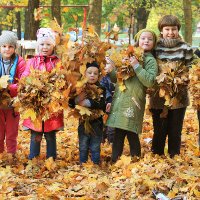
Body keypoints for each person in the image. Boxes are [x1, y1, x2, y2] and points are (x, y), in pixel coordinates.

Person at [106, 29, 158, 162]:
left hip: (134, 100)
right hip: (120, 98)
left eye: (149, 39)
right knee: (118, 132)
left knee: (131, 131)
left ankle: (135, 160)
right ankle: (114, 161)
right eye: (143, 38)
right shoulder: (129, 55)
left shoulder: (150, 61)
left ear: (154, 43)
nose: (146, 41)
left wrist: (137, 66)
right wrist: (112, 70)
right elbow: (117, 78)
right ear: (138, 40)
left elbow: (150, 81)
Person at [149, 15, 193, 157]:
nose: (170, 32)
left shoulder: (185, 48)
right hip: (159, 95)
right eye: (167, 29)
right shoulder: (155, 47)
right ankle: (157, 154)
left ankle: (175, 156)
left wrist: (184, 78)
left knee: (175, 129)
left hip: (179, 95)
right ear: (161, 31)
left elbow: (191, 67)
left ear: (177, 30)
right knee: (160, 128)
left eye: (173, 29)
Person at [22, 28, 64, 160]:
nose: (45, 47)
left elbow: (62, 79)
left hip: (51, 105)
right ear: (37, 45)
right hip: (36, 104)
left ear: (53, 46)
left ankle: (51, 158)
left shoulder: (57, 62)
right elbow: (25, 76)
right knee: (35, 133)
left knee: (50, 134)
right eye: (42, 44)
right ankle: (33, 157)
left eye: (48, 44)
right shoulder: (32, 61)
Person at [69, 61, 106, 165]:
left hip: (96, 122)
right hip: (83, 122)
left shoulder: (101, 89)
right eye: (89, 73)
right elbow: (70, 103)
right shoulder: (79, 89)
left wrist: (89, 102)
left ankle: (95, 163)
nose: (92, 75)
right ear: (84, 74)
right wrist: (77, 100)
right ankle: (83, 163)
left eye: (95, 73)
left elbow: (102, 104)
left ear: (98, 75)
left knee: (95, 145)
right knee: (83, 145)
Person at [0, 31, 26, 156]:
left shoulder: (20, 62)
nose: (7, 49)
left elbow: (23, 82)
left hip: (13, 103)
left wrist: (9, 88)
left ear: (15, 48)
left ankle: (11, 155)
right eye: (4, 46)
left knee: (11, 131)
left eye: (10, 46)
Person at [100, 56, 115, 144]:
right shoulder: (102, 77)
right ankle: (102, 142)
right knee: (103, 126)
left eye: (108, 63)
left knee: (111, 128)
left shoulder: (117, 76)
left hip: (115, 105)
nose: (105, 66)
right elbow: (103, 88)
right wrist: (109, 99)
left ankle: (111, 143)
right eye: (103, 64)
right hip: (105, 104)